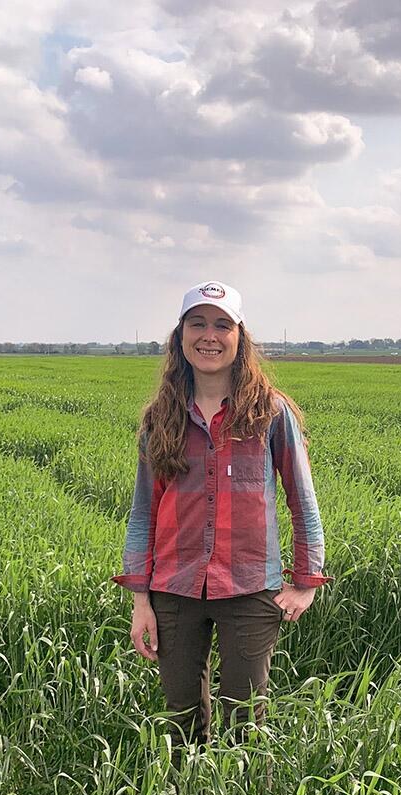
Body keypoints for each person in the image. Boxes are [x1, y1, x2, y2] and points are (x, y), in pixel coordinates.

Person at [113, 280, 332, 753]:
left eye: (221, 325)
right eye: (197, 324)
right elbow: (142, 514)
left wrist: (305, 582)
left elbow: (302, 501)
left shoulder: (270, 414)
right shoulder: (160, 419)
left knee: (244, 724)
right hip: (174, 588)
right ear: (180, 336)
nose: (208, 336)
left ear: (239, 337)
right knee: (181, 720)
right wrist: (140, 600)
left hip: (250, 588)